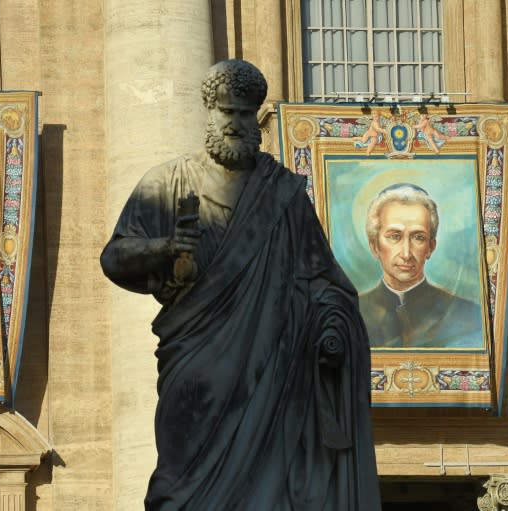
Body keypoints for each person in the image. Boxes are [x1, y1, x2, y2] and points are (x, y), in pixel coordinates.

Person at [101, 60, 380, 511]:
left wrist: (331, 325)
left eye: (245, 114)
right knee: (177, 486)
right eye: (226, 113)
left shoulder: (284, 194)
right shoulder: (167, 183)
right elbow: (114, 258)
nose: (235, 124)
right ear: (208, 114)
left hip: (270, 372)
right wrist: (166, 246)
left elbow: (326, 281)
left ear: (257, 119)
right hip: (195, 364)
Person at [359, 183, 483, 348]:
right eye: (395, 236)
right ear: (375, 246)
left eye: (418, 237)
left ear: (431, 247)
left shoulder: (467, 315)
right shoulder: (350, 311)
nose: (406, 253)